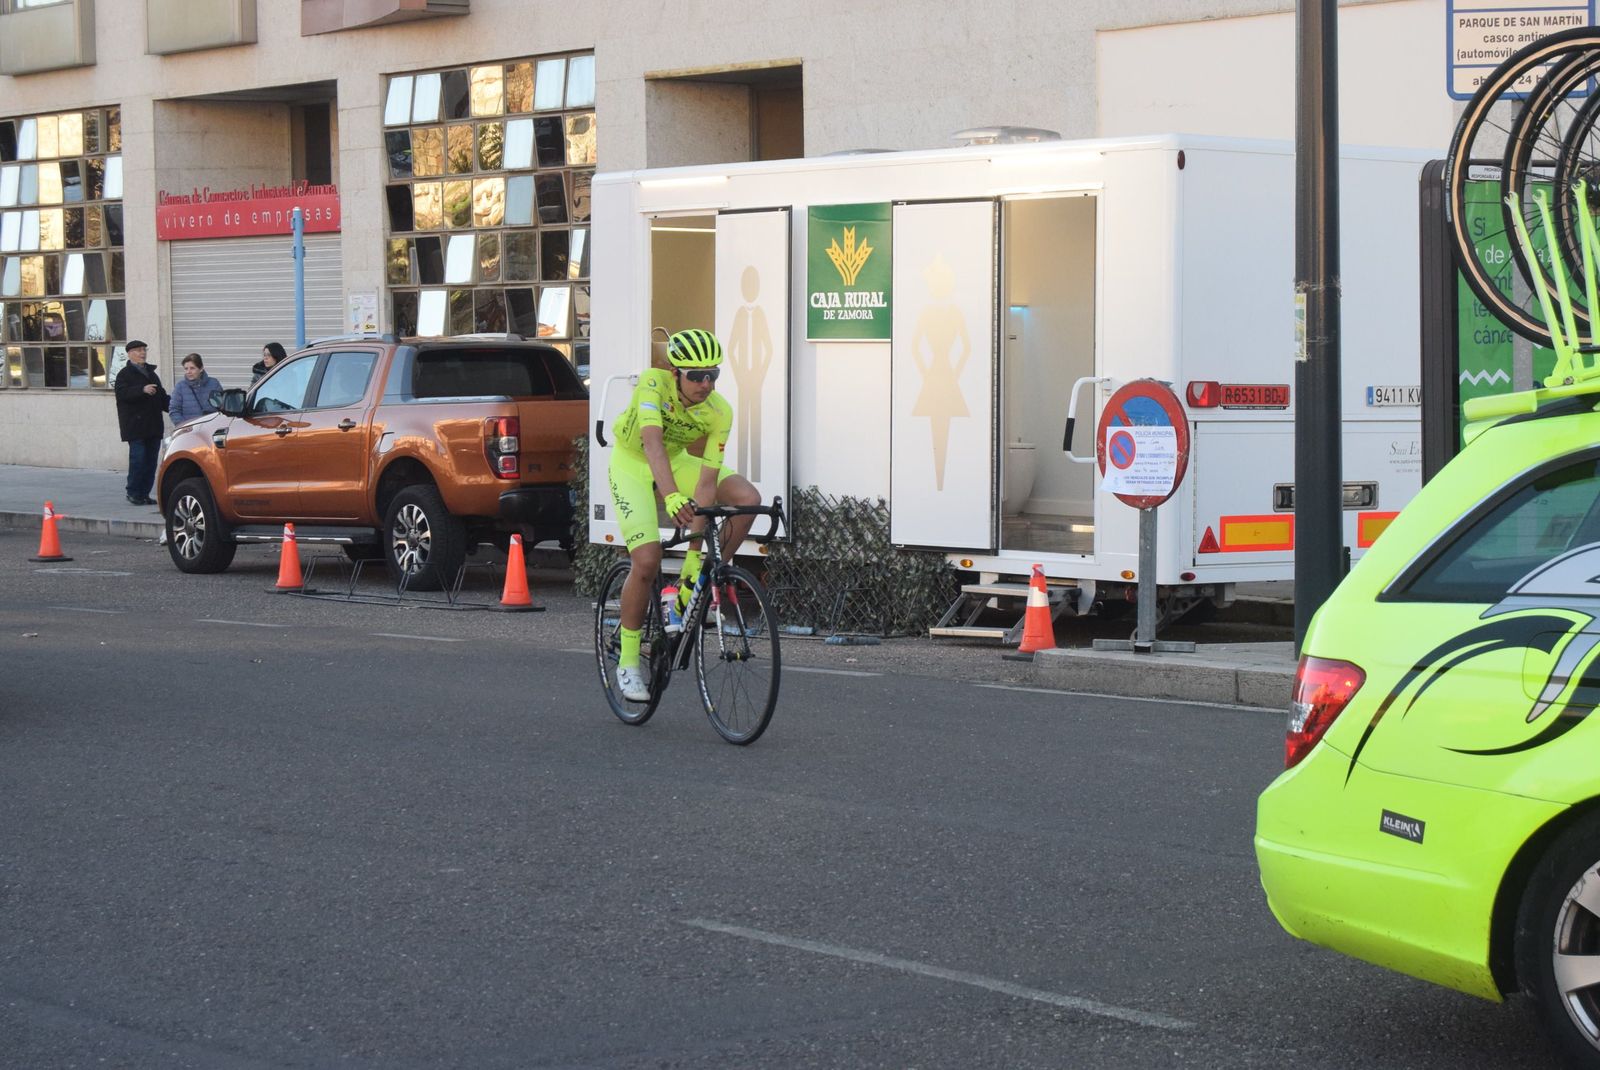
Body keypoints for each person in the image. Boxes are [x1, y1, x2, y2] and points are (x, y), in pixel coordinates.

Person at [607, 328, 761, 702]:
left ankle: (699, 584)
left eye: (713, 374)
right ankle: (628, 661)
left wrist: (695, 556)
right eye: (696, 375)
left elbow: (707, 482)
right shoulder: (652, 384)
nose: (706, 384)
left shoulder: (719, 411)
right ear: (675, 372)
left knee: (747, 498)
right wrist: (672, 495)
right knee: (647, 560)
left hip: (677, 462)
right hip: (632, 465)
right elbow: (652, 443)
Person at [113, 339, 168, 506]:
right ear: (130, 354)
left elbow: (161, 397)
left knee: (150, 462)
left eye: (144, 350)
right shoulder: (124, 374)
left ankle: (144, 494)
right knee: (138, 460)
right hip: (135, 427)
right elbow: (122, 394)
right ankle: (133, 492)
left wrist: (176, 407)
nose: (142, 353)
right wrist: (141, 390)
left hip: (153, 426)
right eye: (138, 350)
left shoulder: (152, 374)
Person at [168, 353, 221, 425]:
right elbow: (174, 410)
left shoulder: (214, 383)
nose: (188, 372)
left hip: (210, 427)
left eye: (192, 368)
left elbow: (221, 407)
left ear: (201, 368)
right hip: (190, 429)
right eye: (186, 369)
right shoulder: (180, 387)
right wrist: (184, 425)